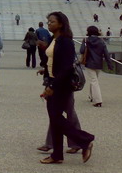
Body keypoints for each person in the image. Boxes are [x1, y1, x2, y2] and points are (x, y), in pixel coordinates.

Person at [39, 11, 94, 164]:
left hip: (61, 85)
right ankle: (57, 155)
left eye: (52, 22)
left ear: (61, 24)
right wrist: (46, 72)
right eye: (48, 21)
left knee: (56, 118)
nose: (49, 24)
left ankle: (85, 140)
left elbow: (67, 68)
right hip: (52, 81)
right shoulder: (53, 39)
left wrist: (52, 86)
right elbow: (54, 61)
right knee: (55, 119)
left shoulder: (66, 41)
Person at [80, 26, 113, 108]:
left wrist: (83, 43)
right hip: (98, 63)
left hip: (89, 63)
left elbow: (81, 51)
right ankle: (91, 96)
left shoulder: (86, 40)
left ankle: (98, 100)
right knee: (94, 80)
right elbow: (106, 54)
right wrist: (109, 64)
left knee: (93, 80)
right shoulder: (101, 41)